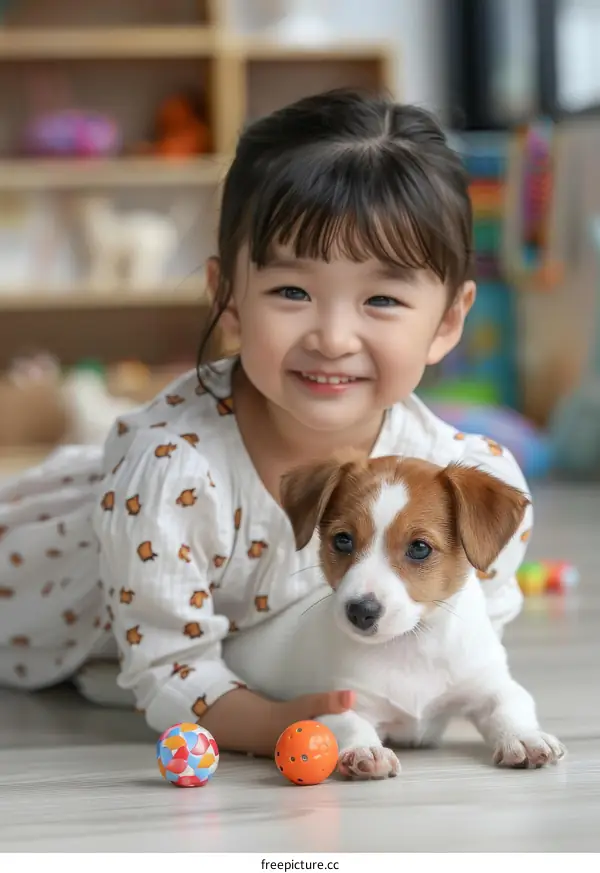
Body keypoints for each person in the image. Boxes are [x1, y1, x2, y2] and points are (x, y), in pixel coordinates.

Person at [0, 89, 533, 756]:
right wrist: (286, 721)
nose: (334, 337)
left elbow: (470, 630)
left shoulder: (472, 475)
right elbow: (169, 668)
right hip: (44, 589)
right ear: (229, 299)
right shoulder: (173, 476)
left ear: (448, 321)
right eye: (292, 291)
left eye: (383, 298)